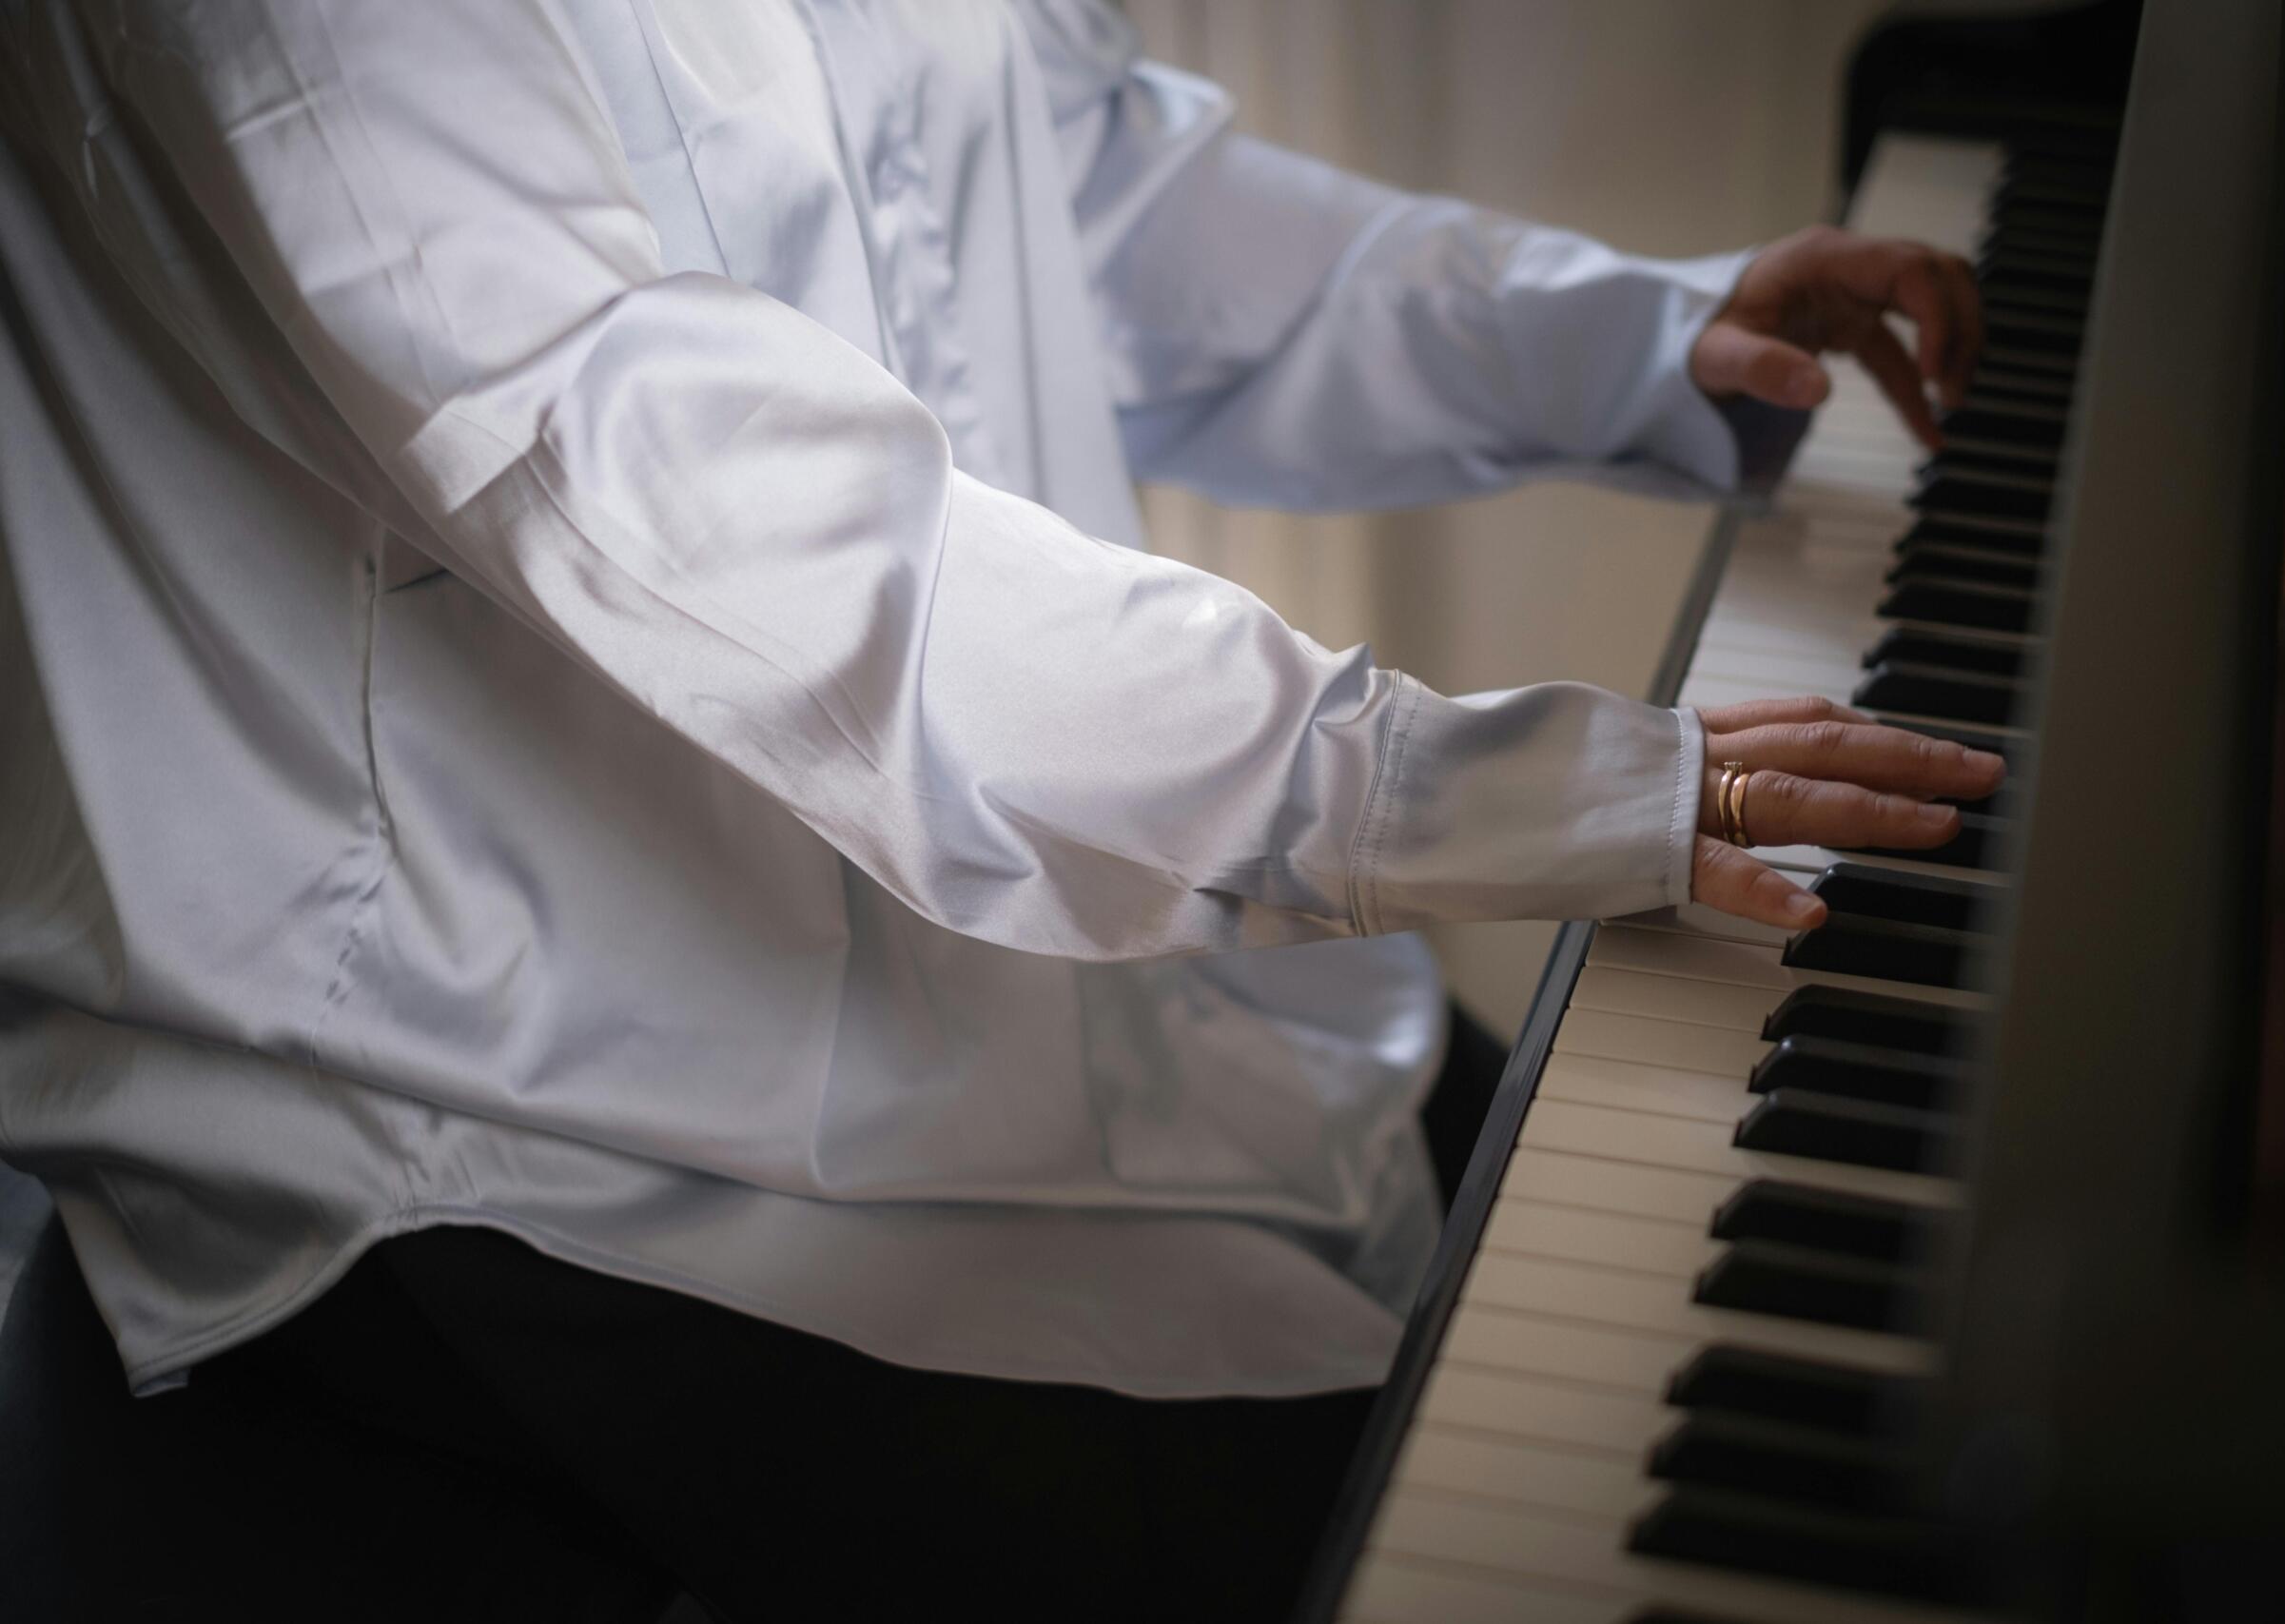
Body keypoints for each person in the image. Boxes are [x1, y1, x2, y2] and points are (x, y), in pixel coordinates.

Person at [0, 1, 1999, 1617]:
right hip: (526, 1077)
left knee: (1579, 1242)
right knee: (1460, 1487)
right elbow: (763, 546)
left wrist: (1632, 333)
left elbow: (1097, 194)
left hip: (1004, 926)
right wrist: (1467, 783)